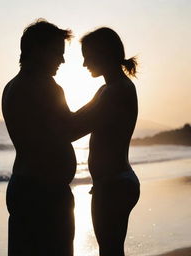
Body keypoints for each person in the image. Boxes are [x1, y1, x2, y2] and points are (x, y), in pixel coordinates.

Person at [2, 19, 76, 256]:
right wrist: (102, 105)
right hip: (46, 195)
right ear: (37, 50)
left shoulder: (11, 86)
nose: (62, 60)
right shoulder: (47, 87)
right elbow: (70, 129)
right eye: (57, 52)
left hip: (23, 186)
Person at [76, 27, 140, 256]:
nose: (84, 64)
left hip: (114, 184)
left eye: (87, 56)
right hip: (113, 182)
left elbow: (75, 128)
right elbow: (76, 120)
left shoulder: (116, 91)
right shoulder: (108, 89)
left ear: (104, 53)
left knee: (110, 251)